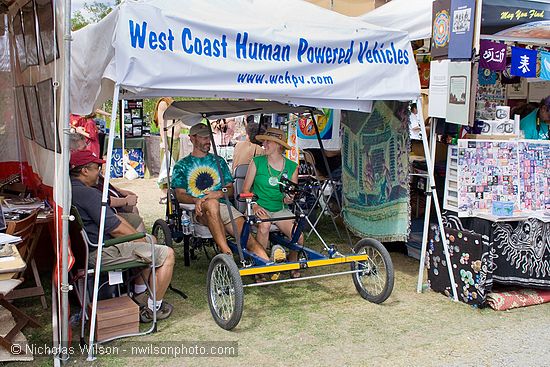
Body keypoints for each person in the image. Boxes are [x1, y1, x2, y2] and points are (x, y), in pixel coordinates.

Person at [69, 150, 175, 323]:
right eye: (97, 168)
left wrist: (141, 237)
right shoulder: (89, 194)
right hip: (101, 252)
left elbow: (114, 218)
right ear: (84, 170)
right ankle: (153, 308)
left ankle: (139, 294)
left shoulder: (71, 189)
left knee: (147, 246)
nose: (100, 172)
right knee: (167, 254)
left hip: (89, 250)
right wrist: (143, 239)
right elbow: (116, 229)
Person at [171, 123, 271, 265]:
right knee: (211, 204)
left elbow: (230, 189)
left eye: (210, 137)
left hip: (224, 207)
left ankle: (267, 267)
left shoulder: (219, 162)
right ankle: (227, 254)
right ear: (192, 138)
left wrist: (217, 194)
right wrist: (196, 200)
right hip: (198, 210)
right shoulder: (182, 165)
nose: (208, 141)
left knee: (248, 238)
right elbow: (179, 194)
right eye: (204, 137)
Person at [242, 127, 303, 278]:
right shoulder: (257, 162)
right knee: (264, 226)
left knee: (298, 235)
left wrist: (289, 198)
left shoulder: (292, 167)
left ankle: (292, 263)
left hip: (280, 208)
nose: (264, 144)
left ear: (278, 145)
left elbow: (291, 193)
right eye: (264, 141)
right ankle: (261, 267)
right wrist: (254, 205)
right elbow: (245, 189)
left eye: (268, 142)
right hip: (258, 206)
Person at [154, 97, 187, 203]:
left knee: (173, 166)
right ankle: (165, 193)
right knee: (167, 166)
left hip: (176, 139)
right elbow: (161, 123)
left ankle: (171, 192)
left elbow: (179, 123)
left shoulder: (172, 102)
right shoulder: (163, 103)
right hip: (168, 139)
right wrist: (164, 141)